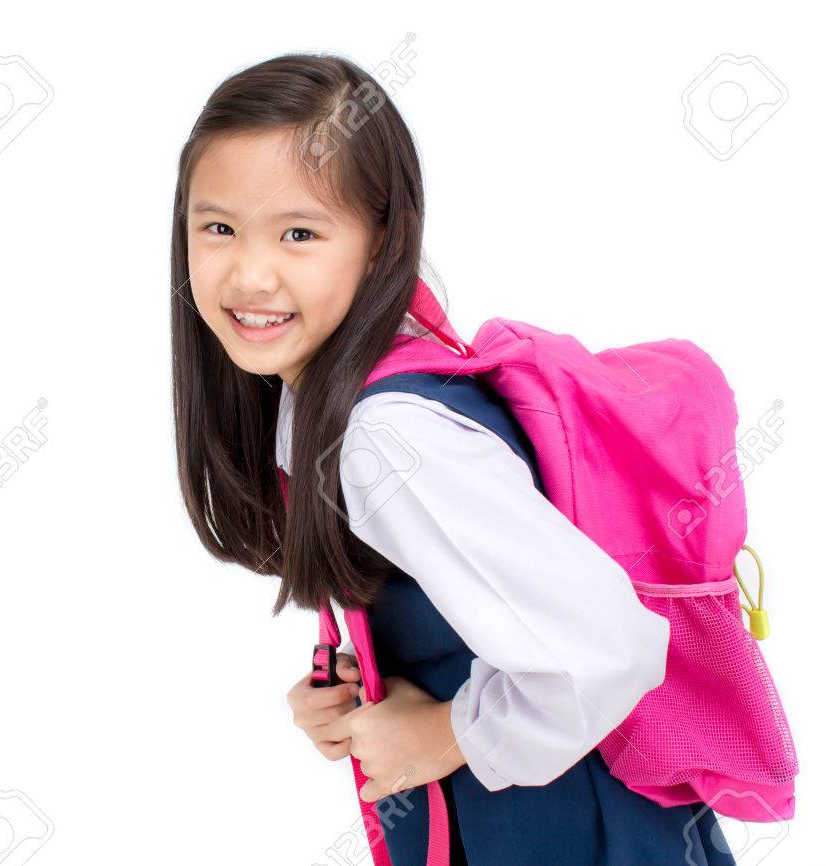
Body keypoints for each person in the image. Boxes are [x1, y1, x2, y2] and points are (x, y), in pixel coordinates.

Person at [170, 52, 735, 865]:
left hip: (578, 835)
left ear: (382, 241)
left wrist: (442, 733)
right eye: (218, 228)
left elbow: (611, 649)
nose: (251, 273)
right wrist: (362, 681)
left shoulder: (390, 439)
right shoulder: (330, 395)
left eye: (300, 233)